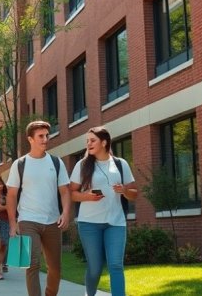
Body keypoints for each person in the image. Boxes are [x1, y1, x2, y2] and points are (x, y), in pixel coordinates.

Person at [69, 126, 137, 296]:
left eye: (92, 140)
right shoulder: (82, 165)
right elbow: (72, 194)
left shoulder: (121, 164)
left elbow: (134, 193)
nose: (88, 144)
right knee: (95, 267)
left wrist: (124, 191)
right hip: (89, 224)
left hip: (115, 222)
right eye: (87, 141)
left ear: (104, 142)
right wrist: (87, 196)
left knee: (115, 265)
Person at [6, 120, 71, 296]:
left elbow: (65, 191)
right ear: (30, 139)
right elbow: (11, 196)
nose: (45, 139)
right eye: (40, 136)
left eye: (46, 135)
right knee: (33, 264)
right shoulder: (20, 164)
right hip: (28, 220)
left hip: (52, 221)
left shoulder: (56, 163)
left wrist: (65, 213)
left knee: (55, 269)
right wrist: (13, 224)